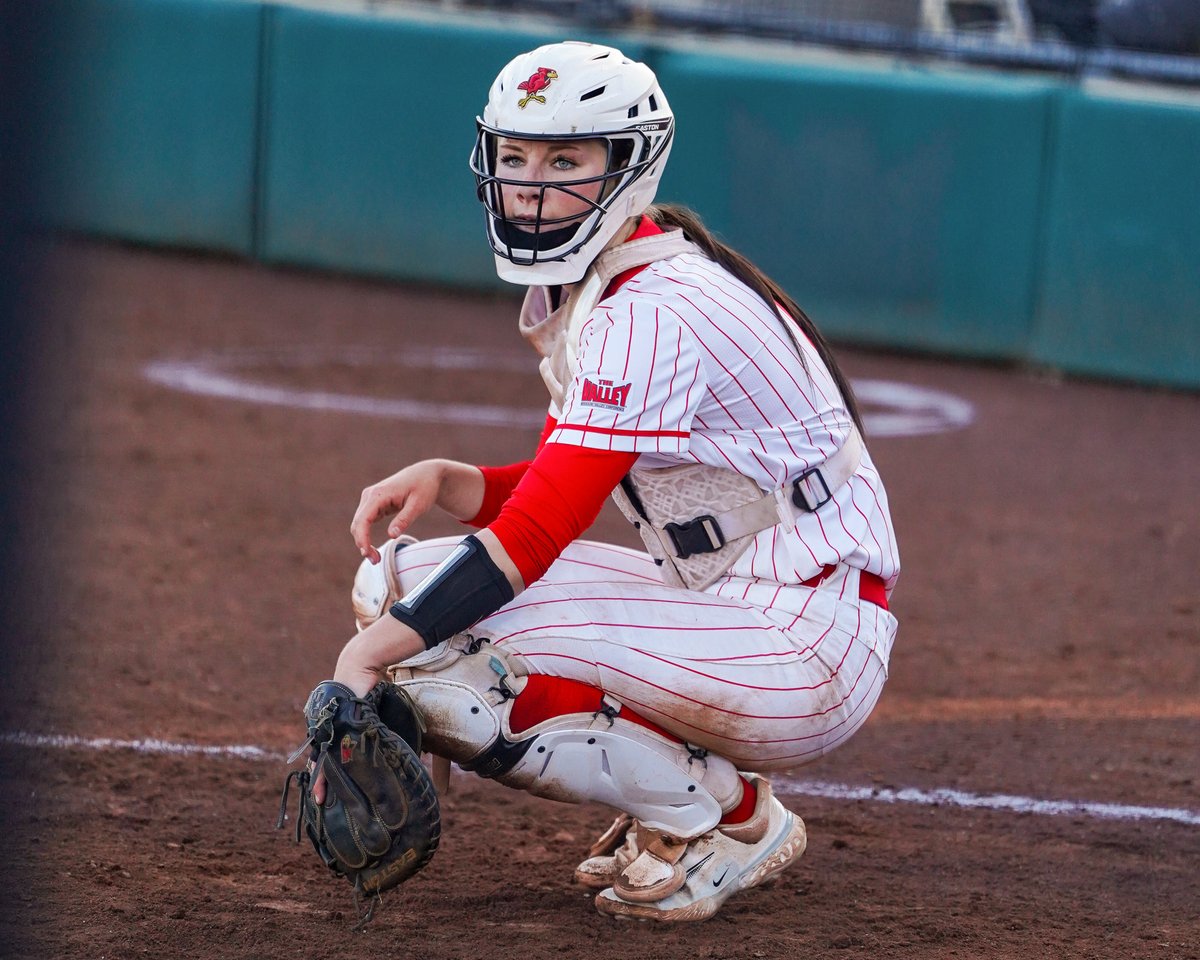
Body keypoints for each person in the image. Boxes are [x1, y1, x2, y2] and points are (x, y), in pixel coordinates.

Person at [323, 40, 900, 923]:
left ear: (628, 167)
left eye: (565, 161)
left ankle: (727, 821)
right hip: (738, 602)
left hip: (805, 636)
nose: (533, 185)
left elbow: (544, 526)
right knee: (396, 585)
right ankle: (701, 799)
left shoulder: (653, 307)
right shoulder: (615, 281)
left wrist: (371, 656)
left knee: (447, 657)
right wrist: (449, 479)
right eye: (515, 158)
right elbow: (560, 483)